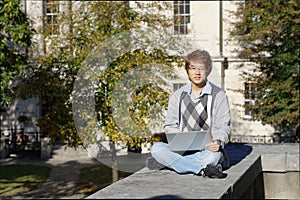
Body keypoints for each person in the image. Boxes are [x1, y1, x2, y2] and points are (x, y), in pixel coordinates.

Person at [147, 49, 231, 178]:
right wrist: (176, 140)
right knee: (156, 148)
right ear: (187, 70)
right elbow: (170, 125)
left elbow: (223, 125)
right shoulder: (177, 96)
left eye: (201, 68)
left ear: (207, 70)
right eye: (193, 68)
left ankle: (172, 164)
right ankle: (202, 170)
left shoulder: (218, 95)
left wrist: (218, 142)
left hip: (207, 150)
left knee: (215, 156)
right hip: (181, 151)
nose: (197, 73)